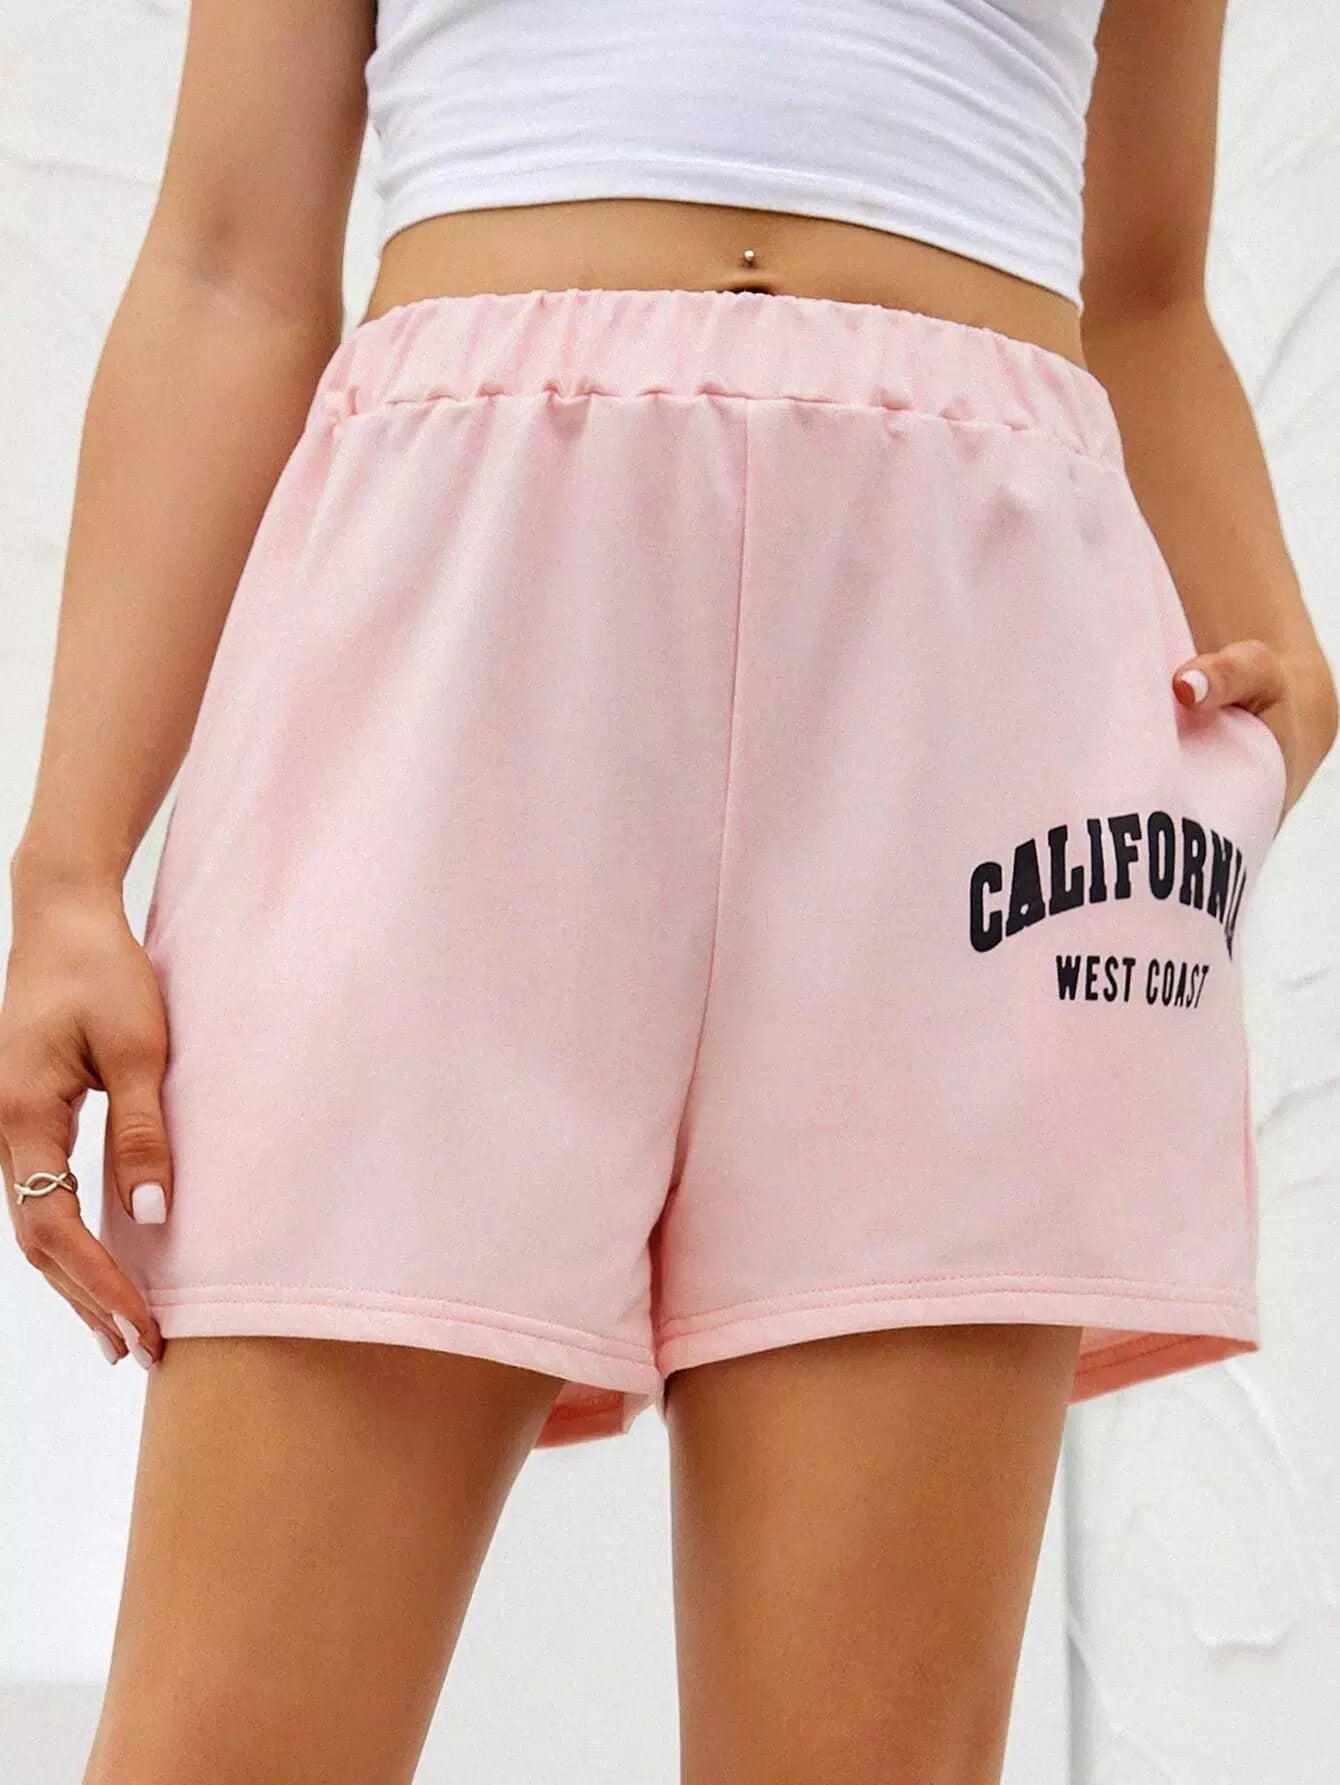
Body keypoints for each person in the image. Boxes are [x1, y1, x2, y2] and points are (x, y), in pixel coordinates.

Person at [2, 0, 1335, 1780]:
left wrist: (1280, 646)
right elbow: (230, 264)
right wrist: (69, 863)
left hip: (976, 675)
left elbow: (1145, 292)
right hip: (458, 639)